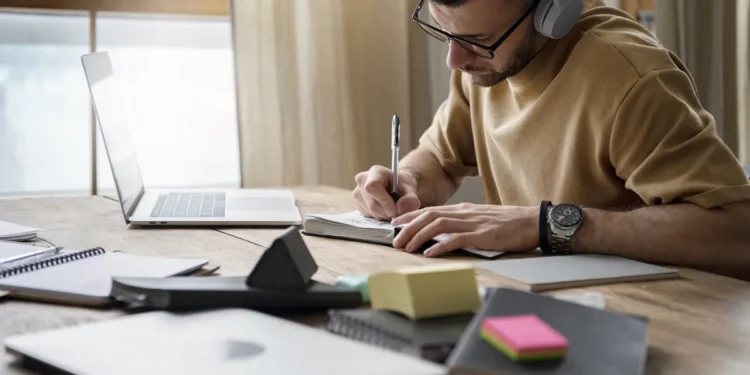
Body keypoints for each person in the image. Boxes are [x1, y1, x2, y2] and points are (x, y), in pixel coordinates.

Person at [352, 0, 750, 281]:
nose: (454, 61)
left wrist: (546, 224)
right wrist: (406, 181)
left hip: (661, 320)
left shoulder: (631, 79)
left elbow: (736, 233)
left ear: (551, 11)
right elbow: (439, 158)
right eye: (444, 32)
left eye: (477, 39)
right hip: (537, 301)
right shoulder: (482, 65)